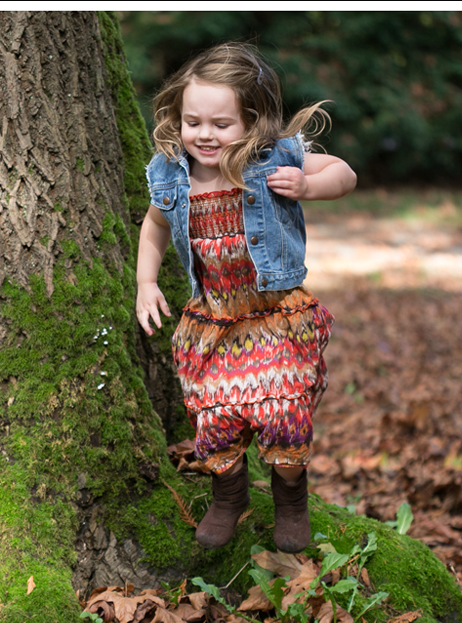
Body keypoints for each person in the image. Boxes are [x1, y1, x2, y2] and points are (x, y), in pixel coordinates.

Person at [136, 42, 357, 553]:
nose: (205, 135)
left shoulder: (274, 157)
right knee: (214, 415)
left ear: (252, 122)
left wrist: (307, 186)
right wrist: (146, 283)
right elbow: (154, 227)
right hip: (213, 320)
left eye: (221, 124)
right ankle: (229, 495)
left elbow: (344, 173)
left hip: (274, 315)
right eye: (193, 122)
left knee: (285, 411)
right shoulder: (170, 173)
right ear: (178, 118)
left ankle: (291, 500)